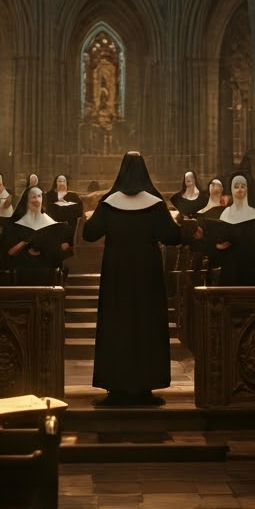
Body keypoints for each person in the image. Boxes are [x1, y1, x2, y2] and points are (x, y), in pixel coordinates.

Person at [82, 150, 181, 407]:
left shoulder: (109, 202)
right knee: (147, 325)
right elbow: (172, 236)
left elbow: (89, 234)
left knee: (116, 325)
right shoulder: (155, 203)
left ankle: (116, 388)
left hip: (117, 274)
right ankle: (145, 388)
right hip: (147, 274)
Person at [206, 172, 255, 285]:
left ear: (247, 189)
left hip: (252, 270)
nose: (239, 190)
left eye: (243, 186)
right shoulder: (225, 214)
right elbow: (218, 245)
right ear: (232, 189)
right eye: (236, 187)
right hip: (230, 270)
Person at [2, 185, 71, 285]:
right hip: (23, 275)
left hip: (48, 275)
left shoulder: (56, 226)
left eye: (39, 196)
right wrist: (25, 243)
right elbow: (9, 253)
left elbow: (62, 252)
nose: (36, 199)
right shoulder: (14, 226)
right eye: (33, 197)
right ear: (26, 200)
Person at [46, 174, 84, 243]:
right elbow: (48, 213)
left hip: (70, 228)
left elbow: (79, 212)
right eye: (59, 181)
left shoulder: (74, 196)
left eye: (64, 181)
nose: (62, 183)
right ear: (55, 183)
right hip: (53, 228)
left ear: (67, 183)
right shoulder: (49, 196)